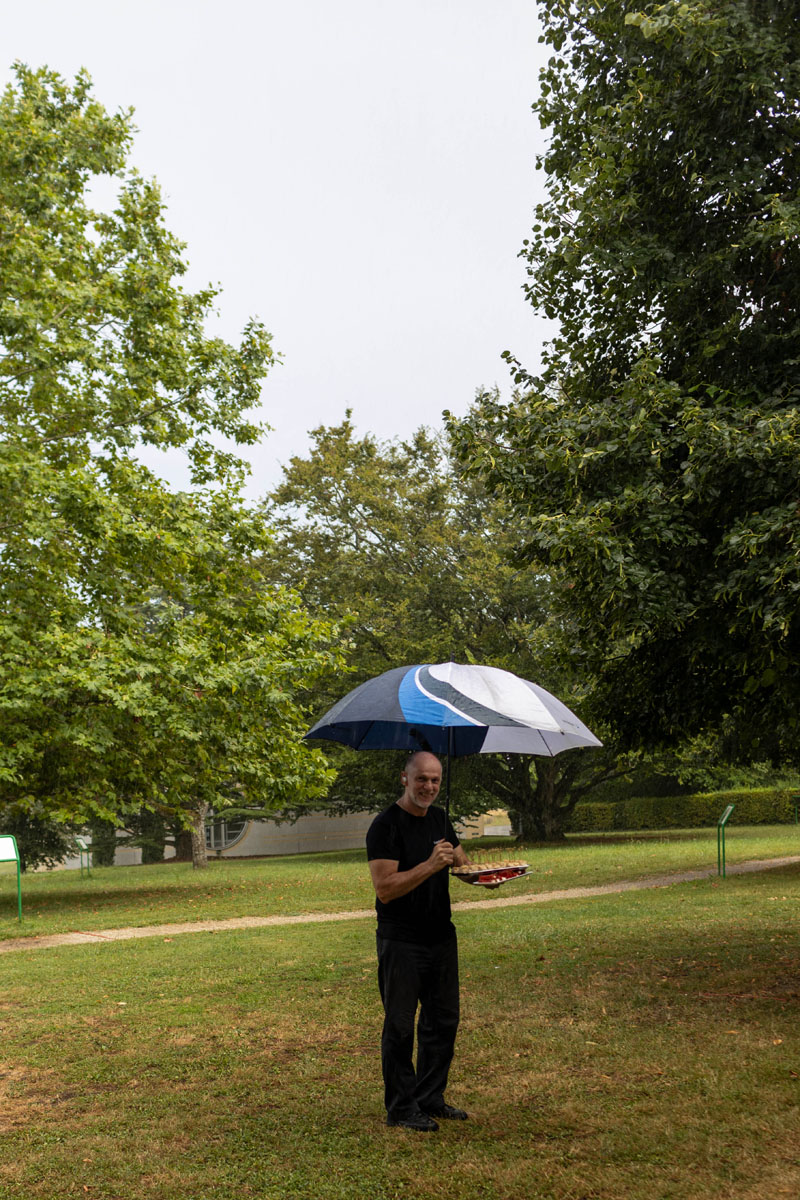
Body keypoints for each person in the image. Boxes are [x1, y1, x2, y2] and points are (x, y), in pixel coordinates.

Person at [366, 750, 472, 1131]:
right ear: (404, 778)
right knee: (399, 1025)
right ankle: (401, 1108)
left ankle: (430, 1097)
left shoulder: (441, 819)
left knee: (443, 1021)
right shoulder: (385, 826)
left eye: (435, 780)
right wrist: (429, 865)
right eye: (422, 779)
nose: (429, 786)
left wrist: (489, 876)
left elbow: (462, 864)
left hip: (441, 936)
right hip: (401, 941)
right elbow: (385, 889)